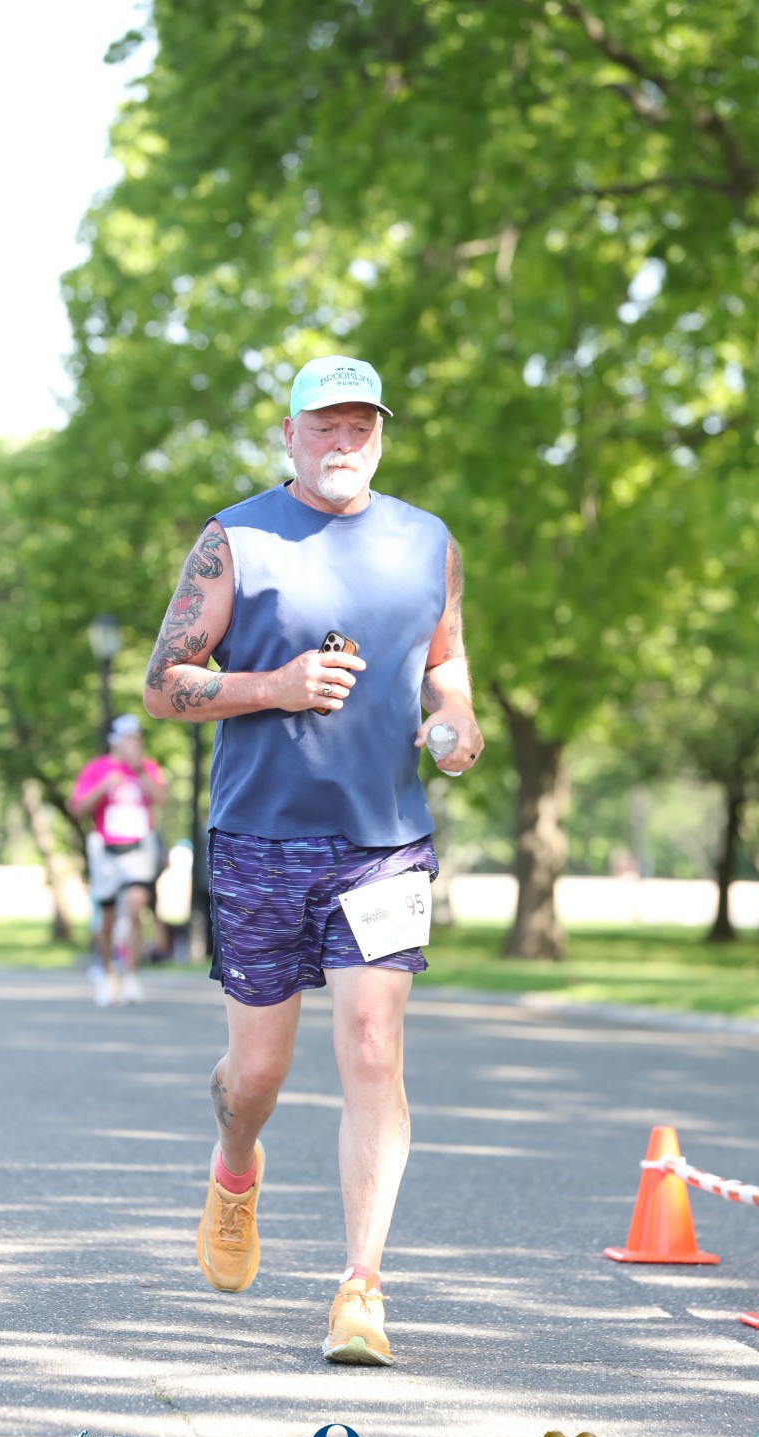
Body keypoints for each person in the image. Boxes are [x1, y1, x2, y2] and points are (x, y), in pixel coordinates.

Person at [142, 354, 483, 1365]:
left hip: (384, 844)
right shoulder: (236, 539)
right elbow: (163, 684)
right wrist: (275, 686)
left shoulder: (428, 542)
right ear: (289, 436)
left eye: (360, 426)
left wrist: (455, 723)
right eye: (324, 426)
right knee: (258, 1072)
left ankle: (360, 1289)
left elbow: (447, 664)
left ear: (380, 435)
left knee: (374, 1048)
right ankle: (234, 1164)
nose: (343, 443)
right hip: (258, 839)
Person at [69, 713, 168, 1007]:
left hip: (140, 848)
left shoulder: (148, 767)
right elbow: (78, 807)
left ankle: (131, 976)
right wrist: (104, 786)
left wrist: (139, 770)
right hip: (106, 850)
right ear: (115, 740)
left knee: (135, 909)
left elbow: (162, 799)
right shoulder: (96, 768)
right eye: (127, 738)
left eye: (136, 739)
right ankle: (107, 973)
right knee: (108, 917)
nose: (132, 744)